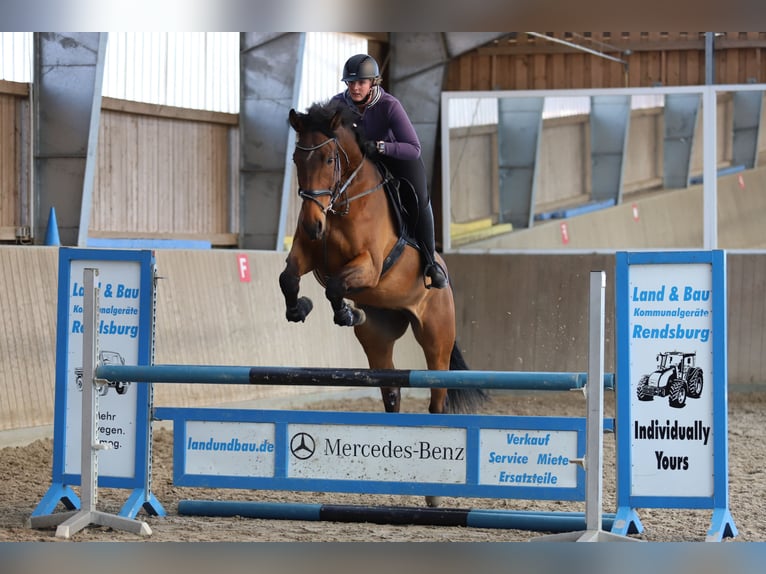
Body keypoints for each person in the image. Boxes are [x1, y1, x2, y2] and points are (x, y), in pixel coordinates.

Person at [331, 54, 448, 289]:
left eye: (360, 83)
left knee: (418, 198)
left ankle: (429, 262)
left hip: (395, 157)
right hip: (358, 163)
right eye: (350, 83)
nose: (354, 88)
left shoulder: (389, 105)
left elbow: (414, 148)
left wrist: (381, 146)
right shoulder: (338, 103)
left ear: (373, 82)